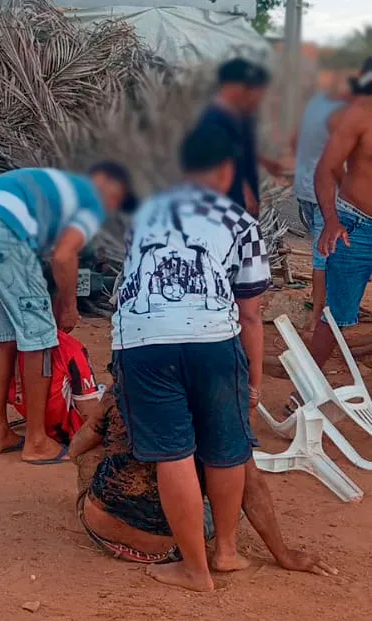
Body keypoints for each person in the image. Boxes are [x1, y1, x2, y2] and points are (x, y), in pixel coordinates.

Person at [111, 124, 272, 591]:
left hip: (143, 343)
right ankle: (225, 552)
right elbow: (251, 313)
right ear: (225, 170)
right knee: (225, 448)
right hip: (214, 340)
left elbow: (129, 284)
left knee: (173, 452)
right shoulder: (241, 221)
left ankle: (193, 569)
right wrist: (253, 382)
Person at [0, 163, 136, 464]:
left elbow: (52, 261)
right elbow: (65, 255)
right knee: (39, 339)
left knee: (5, 335)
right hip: (5, 232)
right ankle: (37, 441)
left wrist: (54, 303)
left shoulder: (56, 187)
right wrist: (68, 307)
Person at [71, 379, 337, 577]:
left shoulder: (126, 383)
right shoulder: (220, 402)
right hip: (161, 545)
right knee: (229, 483)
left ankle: (105, 505)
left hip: (99, 526)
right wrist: (283, 554)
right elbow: (251, 486)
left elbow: (77, 449)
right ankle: (224, 552)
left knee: (96, 447)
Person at [310, 58, 372, 369]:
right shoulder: (360, 114)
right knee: (336, 316)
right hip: (355, 226)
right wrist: (331, 220)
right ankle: (303, 393)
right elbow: (326, 168)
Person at [292, 83, 350, 331]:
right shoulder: (345, 112)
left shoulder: (315, 102)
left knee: (323, 250)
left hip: (305, 187)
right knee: (324, 255)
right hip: (327, 193)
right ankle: (319, 317)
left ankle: (321, 309)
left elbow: (295, 141)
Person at [195, 58, 283, 215]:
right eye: (249, 88)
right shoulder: (213, 120)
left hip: (241, 196)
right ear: (232, 87)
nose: (254, 95)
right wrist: (245, 191)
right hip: (228, 201)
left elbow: (239, 149)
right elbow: (217, 164)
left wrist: (263, 160)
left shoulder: (240, 116)